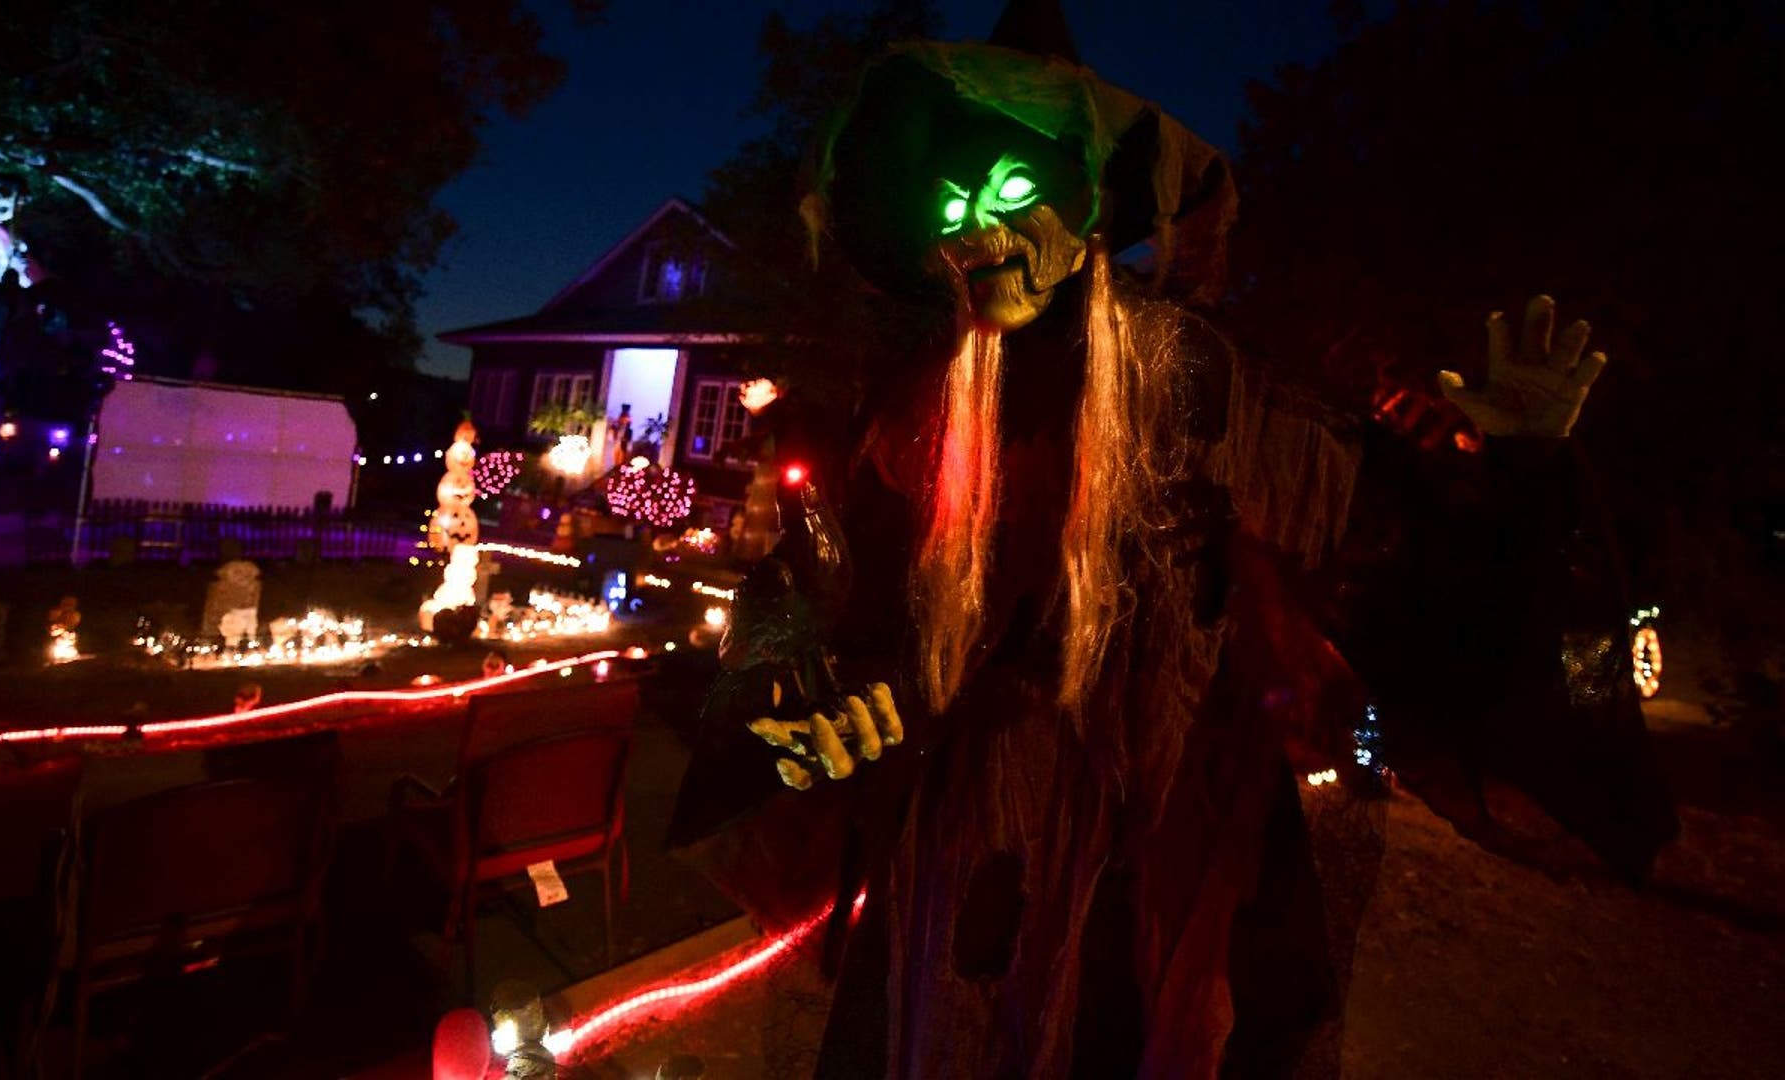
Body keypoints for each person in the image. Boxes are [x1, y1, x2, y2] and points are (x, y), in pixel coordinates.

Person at [669, 4, 1675, 1076]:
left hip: (1150, 858)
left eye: (1013, 191)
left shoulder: (1194, 380)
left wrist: (1520, 481)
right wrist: (820, 687)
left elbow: (1393, 549)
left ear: (1090, 199)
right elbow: (833, 589)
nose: (978, 230)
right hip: (954, 862)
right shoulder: (922, 403)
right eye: (952, 206)